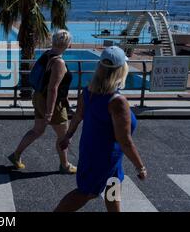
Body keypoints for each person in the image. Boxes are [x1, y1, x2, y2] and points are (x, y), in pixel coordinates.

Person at [54, 46, 147, 212]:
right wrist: (140, 166)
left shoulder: (88, 92)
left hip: (96, 150)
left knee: (113, 186)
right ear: (121, 70)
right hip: (104, 156)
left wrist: (68, 136)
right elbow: (124, 140)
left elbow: (77, 116)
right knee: (86, 193)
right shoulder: (117, 101)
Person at [8, 30, 77, 174]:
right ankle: (65, 165)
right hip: (52, 102)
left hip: (39, 97)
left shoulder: (47, 54)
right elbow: (53, 89)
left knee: (37, 130)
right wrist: (50, 112)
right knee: (63, 136)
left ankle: (16, 155)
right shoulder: (59, 62)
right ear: (68, 45)